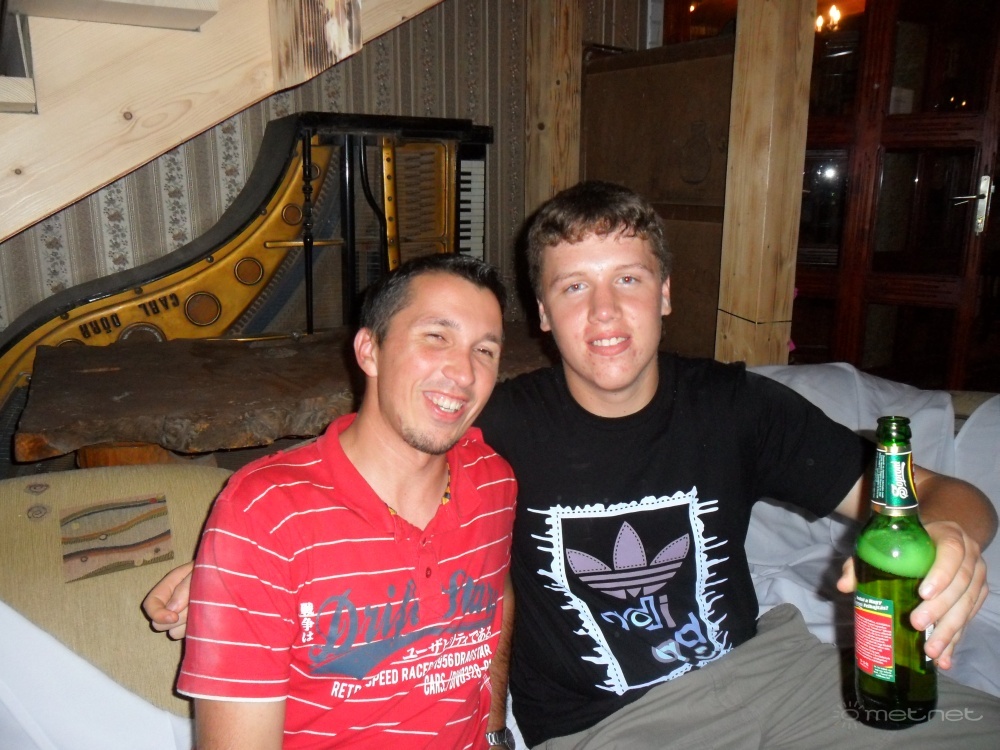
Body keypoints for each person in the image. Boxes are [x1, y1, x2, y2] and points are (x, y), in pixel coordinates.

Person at [147, 182, 999, 748]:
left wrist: (955, 533)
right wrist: (241, 564)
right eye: (573, 288)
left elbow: (930, 490)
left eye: (628, 280)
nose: (605, 314)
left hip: (771, 677)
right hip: (608, 729)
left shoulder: (738, 406)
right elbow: (384, 455)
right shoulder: (500, 423)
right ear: (545, 316)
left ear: (666, 293)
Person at [167, 253, 517, 749]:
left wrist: (495, 731)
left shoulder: (493, 483)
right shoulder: (264, 514)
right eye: (436, 337)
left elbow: (498, 593)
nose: (464, 372)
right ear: (369, 350)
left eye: (484, 350)